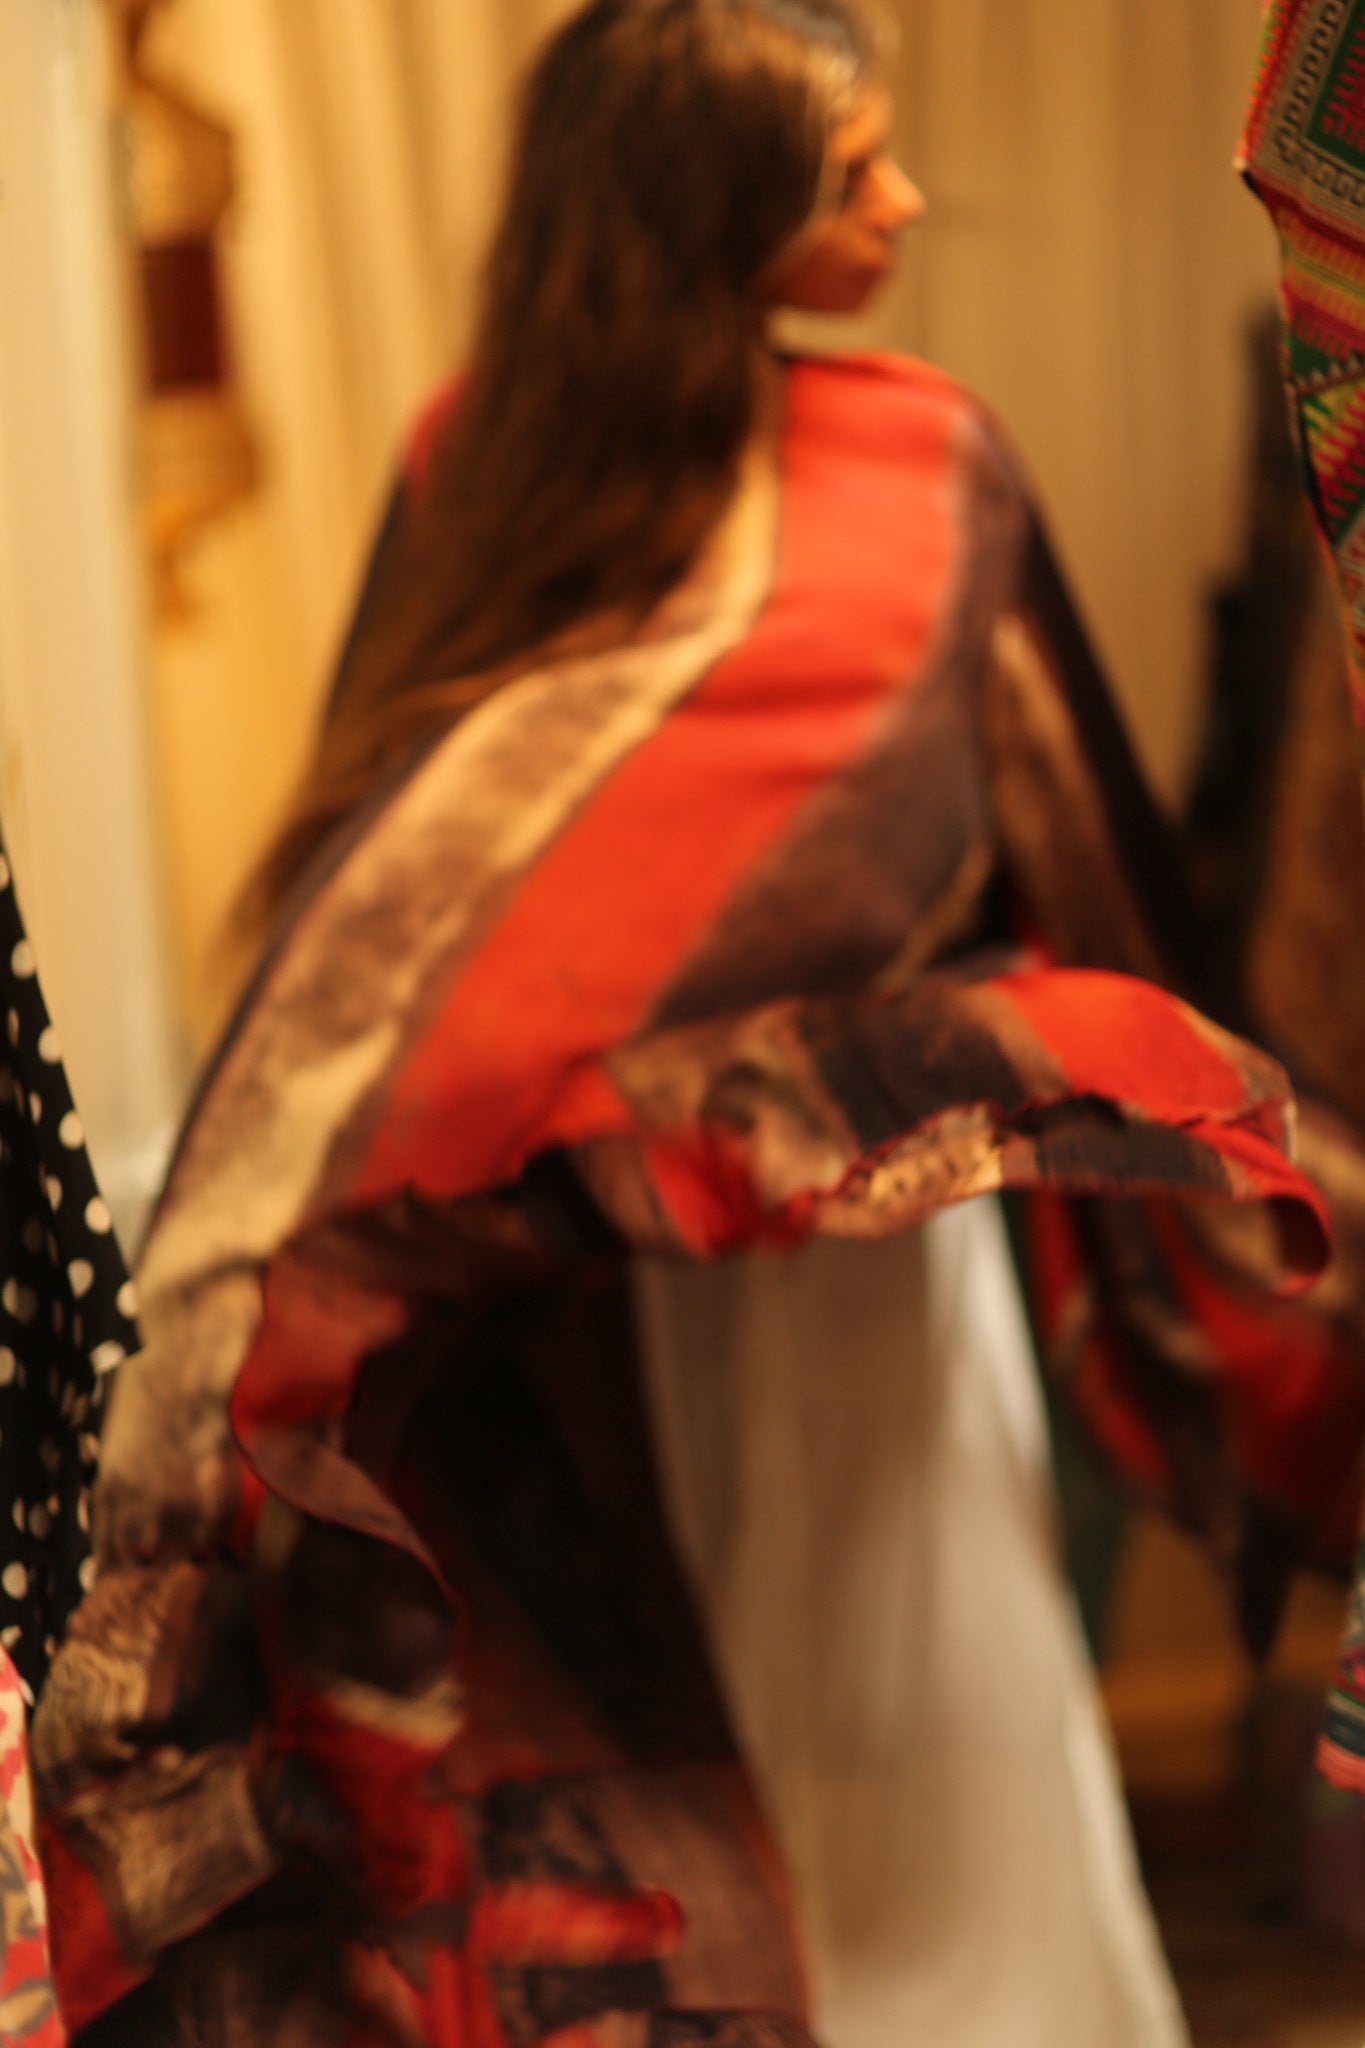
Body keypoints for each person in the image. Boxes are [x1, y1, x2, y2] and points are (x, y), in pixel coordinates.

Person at [32, 4, 1353, 2044]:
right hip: (574, 1287)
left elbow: (1059, 827)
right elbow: (399, 886)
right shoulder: (472, 459)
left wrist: (1219, 1152)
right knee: (631, 1721)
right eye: (849, 170)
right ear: (702, 200)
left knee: (922, 1736)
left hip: (859, 1253)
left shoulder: (932, 457)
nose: (904, 201)